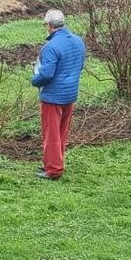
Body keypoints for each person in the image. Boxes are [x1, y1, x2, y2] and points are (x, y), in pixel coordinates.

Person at [31, 9, 85, 180]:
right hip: (70, 94)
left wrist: (34, 80)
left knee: (51, 133)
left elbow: (46, 74)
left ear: (49, 25)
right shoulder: (78, 41)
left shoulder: (51, 47)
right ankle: (55, 162)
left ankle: (54, 169)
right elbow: (79, 65)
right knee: (61, 132)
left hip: (53, 96)